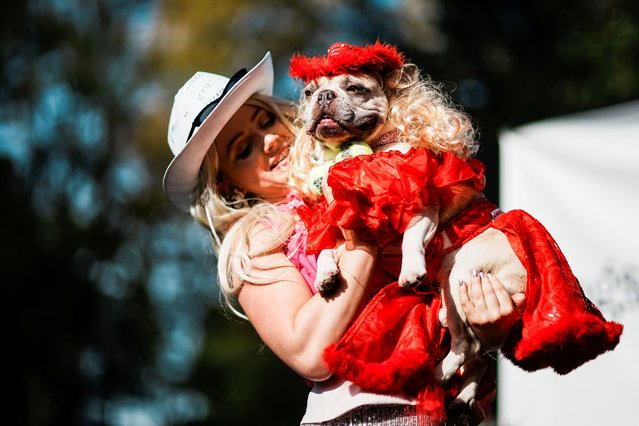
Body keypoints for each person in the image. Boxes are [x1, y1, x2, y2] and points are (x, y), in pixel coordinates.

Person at [163, 52, 524, 425]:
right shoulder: (256, 242)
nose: (270, 140)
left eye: (266, 120)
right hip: (365, 414)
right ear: (228, 185)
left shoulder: (381, 164)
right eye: (244, 149)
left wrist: (487, 327)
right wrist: (360, 221)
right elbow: (309, 352)